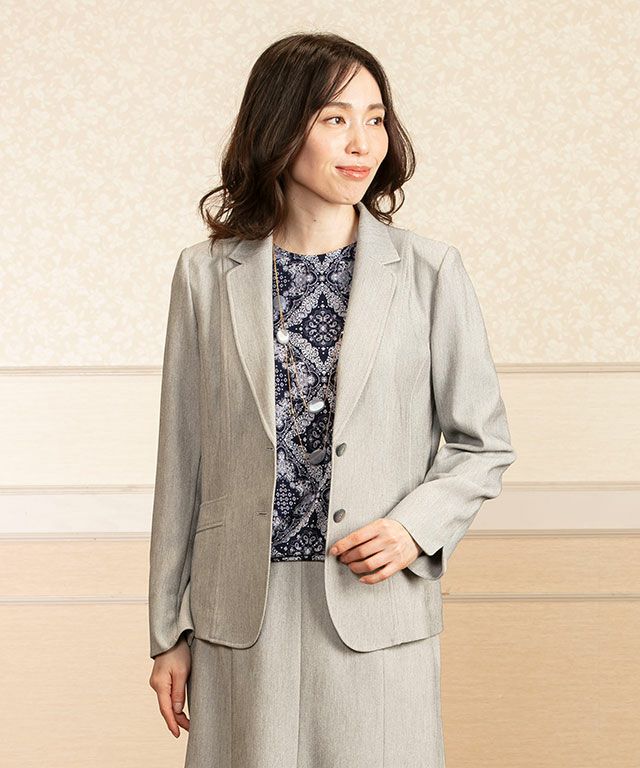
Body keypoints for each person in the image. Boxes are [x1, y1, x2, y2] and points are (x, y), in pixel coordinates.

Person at [148, 31, 516, 768]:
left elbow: (483, 444)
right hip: (238, 616)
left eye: (375, 119)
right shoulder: (204, 275)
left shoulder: (431, 272)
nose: (362, 142)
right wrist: (168, 632)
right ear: (280, 128)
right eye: (334, 118)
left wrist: (414, 529)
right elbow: (182, 461)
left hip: (374, 606)